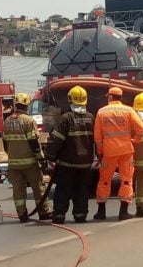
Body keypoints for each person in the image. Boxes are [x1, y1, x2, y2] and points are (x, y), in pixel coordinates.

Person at [44, 86, 95, 224]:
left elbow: (56, 140)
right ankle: (80, 214)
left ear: (69, 99)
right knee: (82, 190)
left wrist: (50, 156)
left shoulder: (66, 118)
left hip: (67, 163)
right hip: (85, 163)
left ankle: (59, 215)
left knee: (63, 190)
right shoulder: (91, 118)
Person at [93, 86, 143, 221]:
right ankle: (123, 212)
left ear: (110, 97)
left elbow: (97, 137)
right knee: (126, 180)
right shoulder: (128, 111)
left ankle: (101, 212)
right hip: (126, 150)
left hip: (108, 151)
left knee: (104, 181)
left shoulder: (101, 112)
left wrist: (100, 152)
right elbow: (141, 128)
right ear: (120, 97)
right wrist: (135, 140)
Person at [2, 93, 52, 222]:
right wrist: (41, 158)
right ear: (26, 105)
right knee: (38, 187)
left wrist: (12, 155)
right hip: (29, 162)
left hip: (13, 163)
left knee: (18, 190)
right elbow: (33, 142)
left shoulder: (7, 121)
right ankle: (43, 212)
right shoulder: (28, 120)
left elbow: (5, 143)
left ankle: (22, 215)